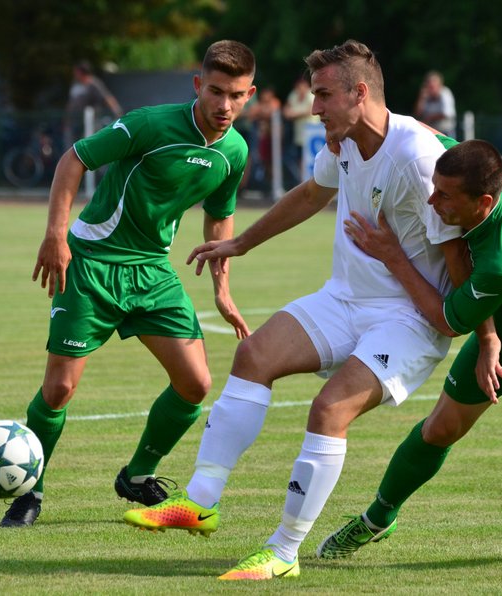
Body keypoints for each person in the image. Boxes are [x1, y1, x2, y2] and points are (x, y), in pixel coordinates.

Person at [123, 39, 470, 581]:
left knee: (329, 410)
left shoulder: (418, 158)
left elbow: (463, 252)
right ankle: (199, 501)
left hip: (408, 319)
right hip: (344, 299)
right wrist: (240, 243)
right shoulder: (344, 140)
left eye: (324, 95)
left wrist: (487, 335)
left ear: (359, 93)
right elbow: (311, 194)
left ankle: (284, 552)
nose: (313, 108)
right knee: (254, 356)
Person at [317, 139, 502, 567]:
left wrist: (392, 256)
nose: (431, 200)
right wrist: (347, 129)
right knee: (439, 429)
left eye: (444, 195)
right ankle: (377, 518)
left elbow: (447, 320)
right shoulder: (479, 172)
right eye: (434, 187)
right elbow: (416, 131)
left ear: (484, 202)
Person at [0, 40, 257, 528]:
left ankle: (137, 476)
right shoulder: (150, 124)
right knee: (59, 389)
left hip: (153, 273)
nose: (225, 105)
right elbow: (74, 158)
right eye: (216, 91)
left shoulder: (235, 152)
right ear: (198, 85)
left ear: (251, 95)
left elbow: (219, 218)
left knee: (195, 384)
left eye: (236, 95)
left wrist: (222, 290)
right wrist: (56, 235)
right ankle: (30, 491)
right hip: (92, 263)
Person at [63, 61, 123, 145]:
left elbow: (107, 97)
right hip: (75, 120)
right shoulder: (75, 84)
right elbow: (71, 103)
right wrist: (66, 118)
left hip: (90, 119)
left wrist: (117, 111)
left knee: (88, 142)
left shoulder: (93, 83)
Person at [282, 76, 320, 184]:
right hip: (299, 134)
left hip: (313, 134)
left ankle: (313, 181)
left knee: (312, 158)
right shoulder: (293, 95)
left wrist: (293, 114)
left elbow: (310, 111)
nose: (299, 89)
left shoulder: (311, 96)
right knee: (299, 158)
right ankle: (304, 181)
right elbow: (286, 111)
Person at [414, 70, 457, 138]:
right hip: (431, 132)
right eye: (428, 86)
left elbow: (446, 113)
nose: (430, 89)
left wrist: (430, 118)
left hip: (445, 132)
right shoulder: (426, 96)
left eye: (432, 86)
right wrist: (421, 99)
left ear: (439, 85)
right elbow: (417, 114)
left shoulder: (445, 93)